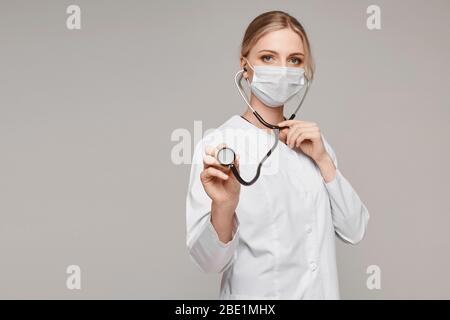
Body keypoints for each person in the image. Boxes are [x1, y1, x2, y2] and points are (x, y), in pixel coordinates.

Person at [185, 10, 370, 300]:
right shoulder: (220, 144)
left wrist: (323, 161)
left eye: (294, 60)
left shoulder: (314, 144)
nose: (283, 70)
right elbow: (210, 263)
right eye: (268, 57)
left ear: (304, 69)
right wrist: (224, 205)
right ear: (245, 67)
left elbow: (355, 229)